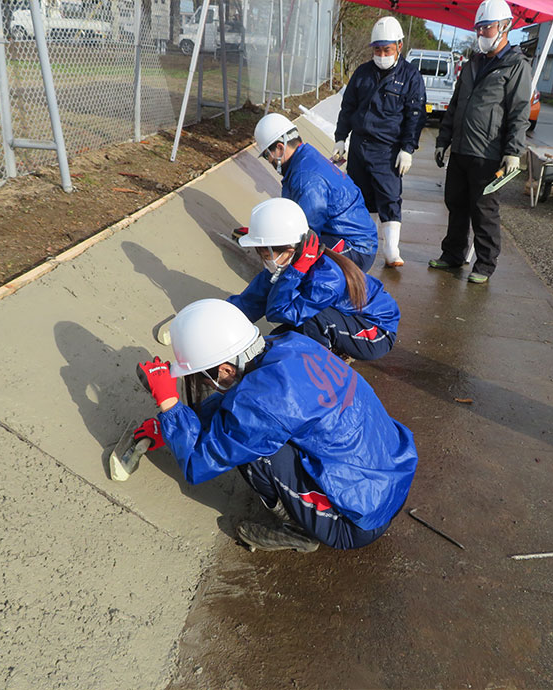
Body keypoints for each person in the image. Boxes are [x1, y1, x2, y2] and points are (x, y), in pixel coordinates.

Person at [133, 298, 418, 552]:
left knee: (257, 454)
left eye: (204, 378)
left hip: (356, 522)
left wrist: (170, 406)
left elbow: (198, 463)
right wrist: (178, 425)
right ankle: (307, 509)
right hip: (390, 484)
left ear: (225, 369)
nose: (207, 385)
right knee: (250, 428)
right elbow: (235, 403)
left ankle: (299, 529)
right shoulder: (290, 345)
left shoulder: (265, 401)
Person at [430, 0, 532, 284]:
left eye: (487, 27)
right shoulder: (473, 62)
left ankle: (484, 265)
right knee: (456, 204)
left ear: (505, 27)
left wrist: (513, 152)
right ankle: (453, 255)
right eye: (479, 28)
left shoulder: (516, 65)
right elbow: (455, 105)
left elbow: (519, 112)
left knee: (484, 210)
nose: (482, 33)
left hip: (488, 153)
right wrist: (443, 139)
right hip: (462, 148)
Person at [230, 198, 400, 362]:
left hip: (375, 331)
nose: (263, 260)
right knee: (274, 342)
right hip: (341, 318)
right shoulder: (287, 263)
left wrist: (294, 274)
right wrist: (220, 321)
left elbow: (280, 312)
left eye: (266, 255)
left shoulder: (326, 279)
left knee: (311, 322)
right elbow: (249, 302)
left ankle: (322, 369)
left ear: (289, 249)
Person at [332, 16, 426, 268]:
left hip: (388, 150)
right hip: (360, 146)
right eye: (377, 49)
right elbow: (348, 107)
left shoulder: (410, 76)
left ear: (399, 46)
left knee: (389, 197)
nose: (382, 54)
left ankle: (391, 248)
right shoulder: (362, 73)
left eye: (387, 49)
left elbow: (415, 115)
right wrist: (341, 138)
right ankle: (365, 243)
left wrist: (407, 149)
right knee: (360, 197)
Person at [252, 113, 378, 272]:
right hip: (352, 239)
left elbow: (306, 230)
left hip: (355, 249)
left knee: (298, 263)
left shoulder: (307, 178)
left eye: (266, 155)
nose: (268, 160)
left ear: (279, 148)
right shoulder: (305, 158)